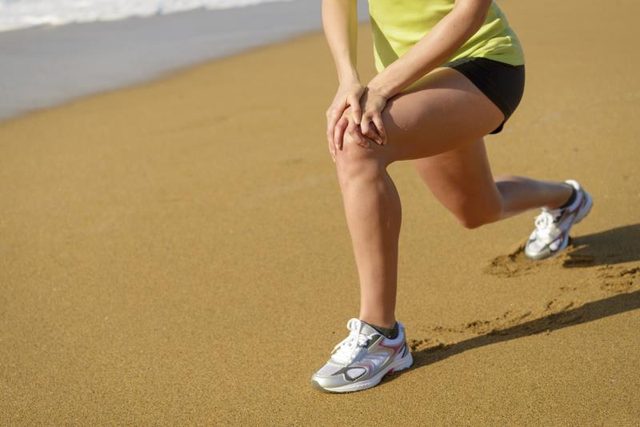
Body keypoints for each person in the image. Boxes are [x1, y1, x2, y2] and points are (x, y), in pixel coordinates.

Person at [311, 0, 593, 393]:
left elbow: (469, 13)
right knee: (477, 208)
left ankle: (382, 335)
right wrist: (347, 78)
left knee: (357, 144)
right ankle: (567, 199)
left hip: (482, 66)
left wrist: (380, 87)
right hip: (407, 78)